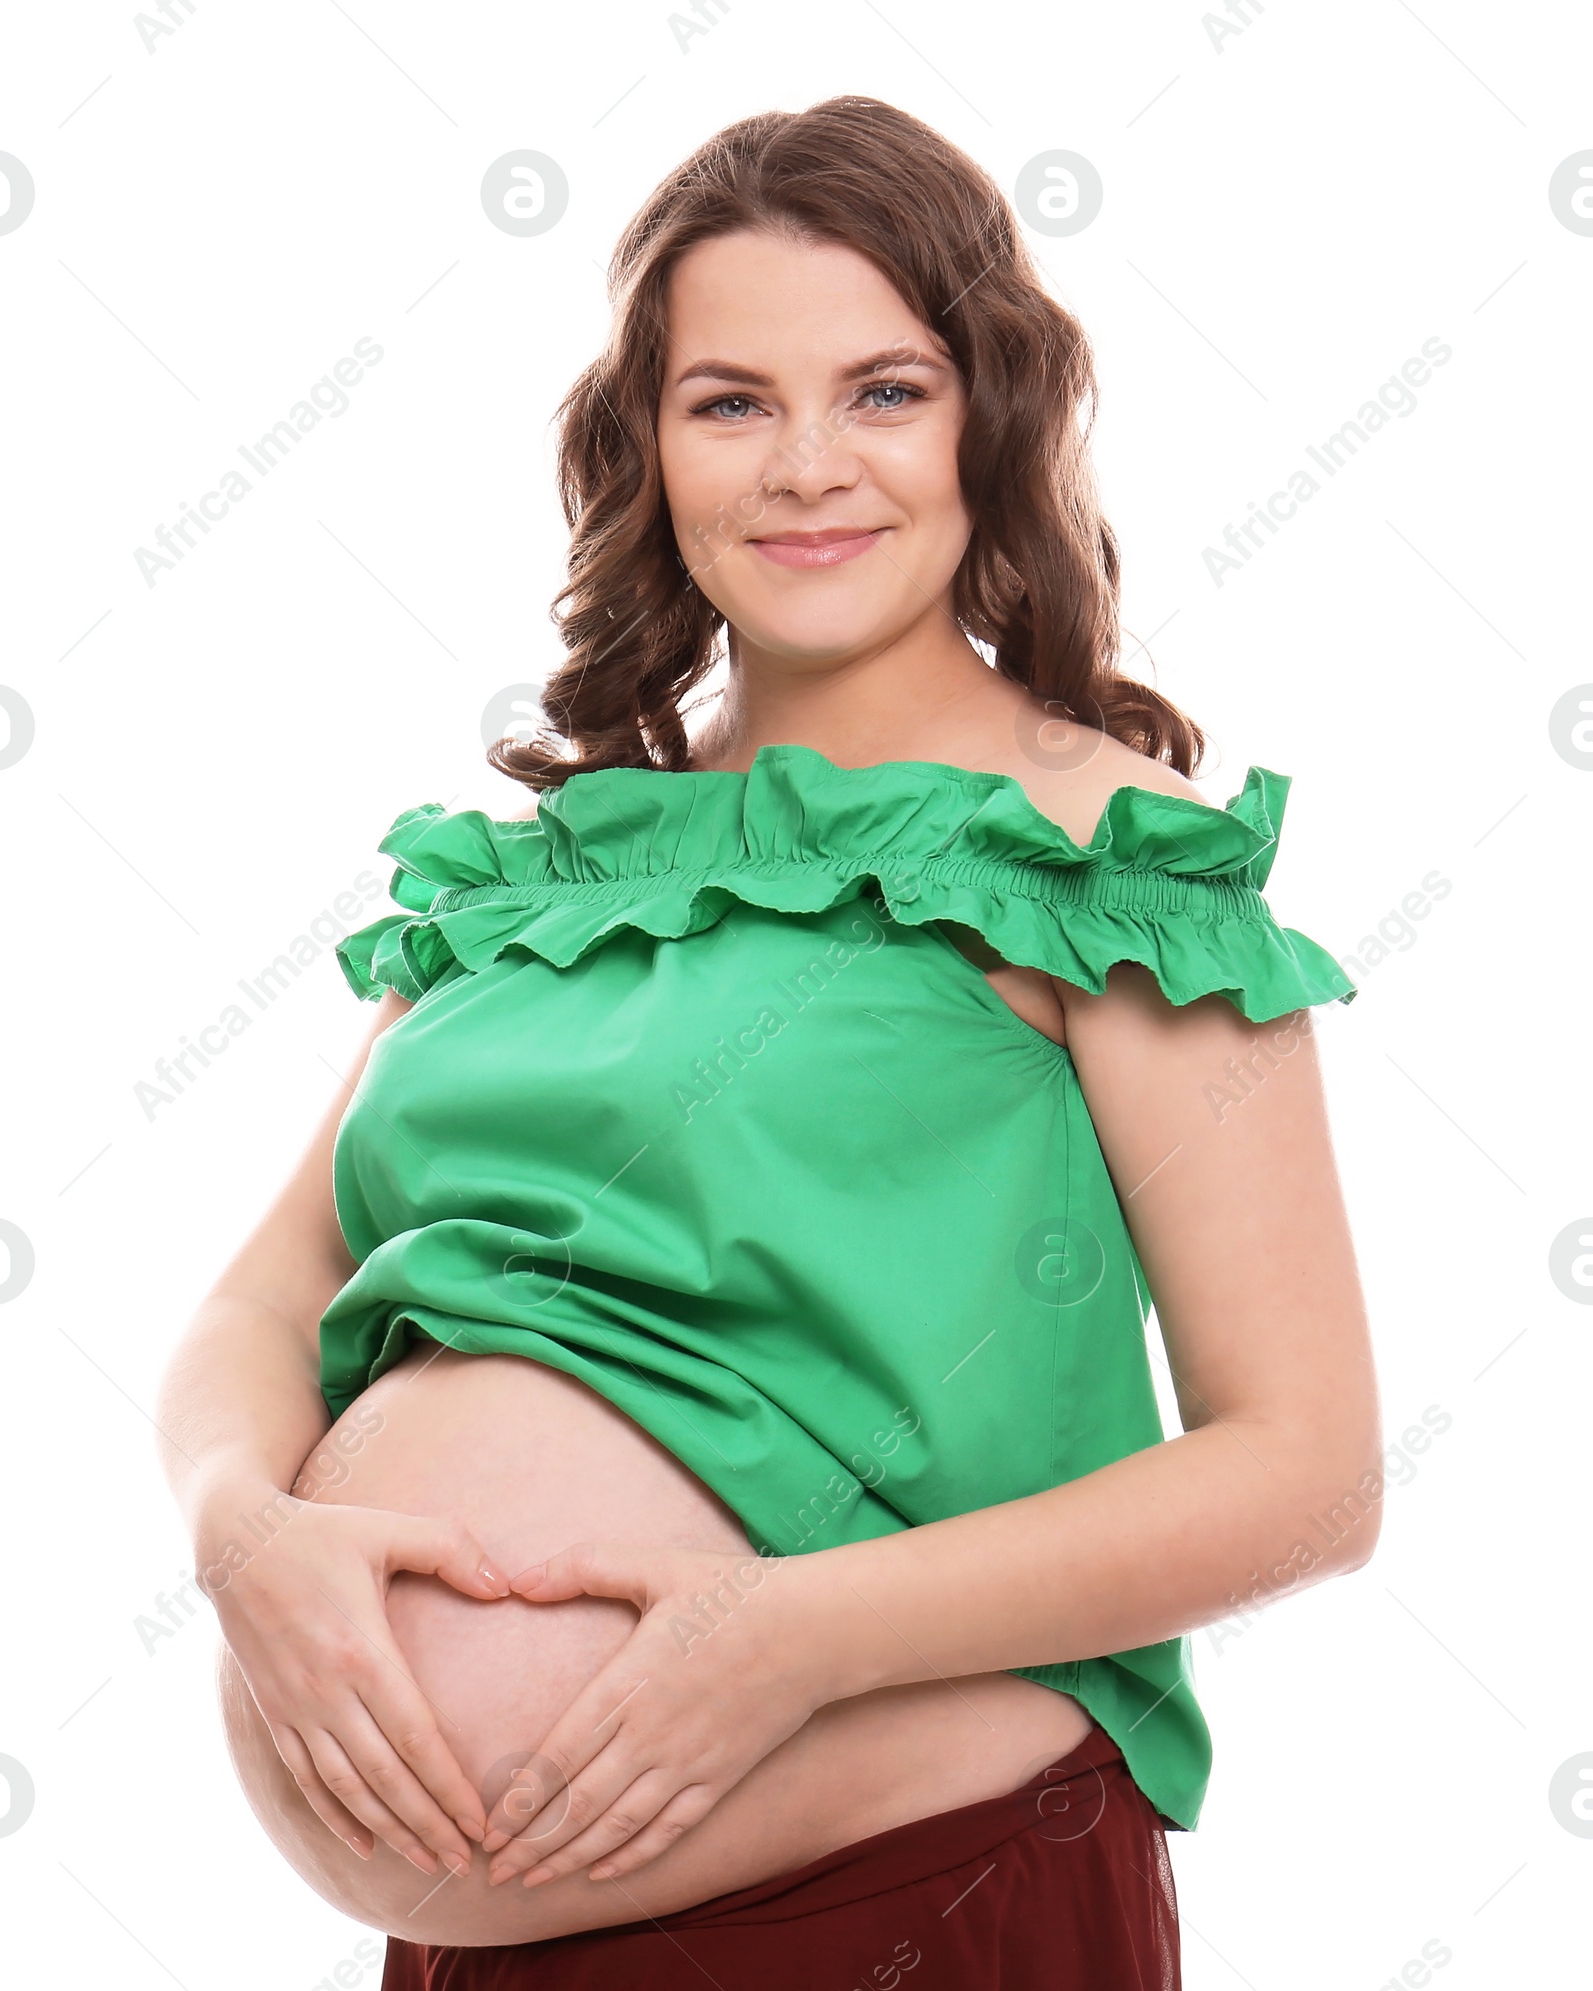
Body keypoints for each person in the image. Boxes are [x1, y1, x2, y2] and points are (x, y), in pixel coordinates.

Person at [156, 95, 1380, 1989]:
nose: (809, 466)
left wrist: (793, 1636)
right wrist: (249, 1534)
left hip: (908, 1896)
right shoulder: (548, 870)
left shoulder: (1098, 854)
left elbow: (1305, 1469)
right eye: (731, 401)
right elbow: (257, 1309)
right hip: (504, 1943)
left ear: (994, 416)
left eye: (883, 390)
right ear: (645, 446)